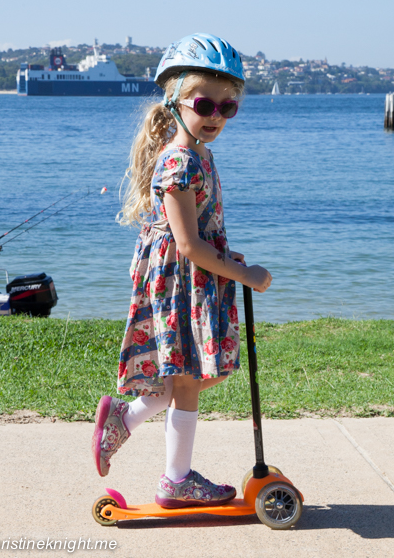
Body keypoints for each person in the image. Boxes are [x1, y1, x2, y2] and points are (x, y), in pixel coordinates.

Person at [92, 33, 272, 508]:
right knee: (189, 376)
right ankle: (175, 480)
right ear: (175, 101)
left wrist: (228, 260)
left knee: (189, 375)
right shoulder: (178, 163)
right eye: (204, 104)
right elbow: (188, 246)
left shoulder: (201, 156)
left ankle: (125, 420)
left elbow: (199, 234)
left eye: (227, 108)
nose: (215, 116)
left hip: (196, 276)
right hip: (181, 284)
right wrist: (246, 275)